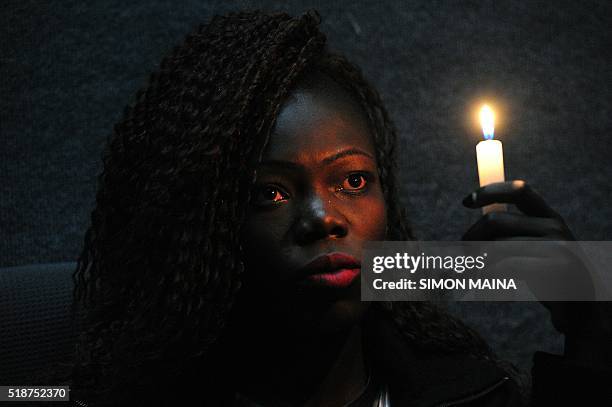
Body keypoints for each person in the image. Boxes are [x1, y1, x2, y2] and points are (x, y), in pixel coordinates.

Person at [69, 10, 611, 406]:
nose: (323, 218)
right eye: (270, 193)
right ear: (198, 224)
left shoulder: (472, 394)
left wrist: (591, 333)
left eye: (353, 180)